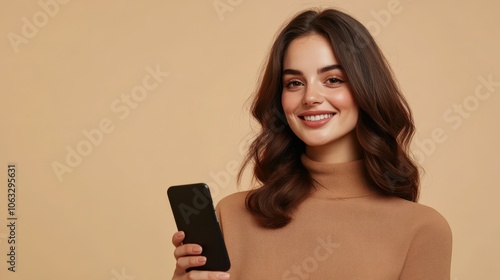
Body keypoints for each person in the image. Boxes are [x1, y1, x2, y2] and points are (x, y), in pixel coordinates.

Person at [171, 8, 452, 280]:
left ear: (366, 89)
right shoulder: (231, 216)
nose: (310, 97)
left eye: (332, 79)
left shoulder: (421, 229)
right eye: (294, 83)